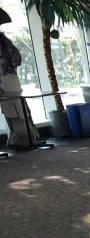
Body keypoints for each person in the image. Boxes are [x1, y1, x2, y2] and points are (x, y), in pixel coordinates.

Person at [0, 8, 42, 147]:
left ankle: (30, 135)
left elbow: (17, 58)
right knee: (9, 108)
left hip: (10, 78)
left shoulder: (4, 40)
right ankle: (17, 136)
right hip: (3, 81)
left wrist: (11, 60)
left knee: (21, 106)